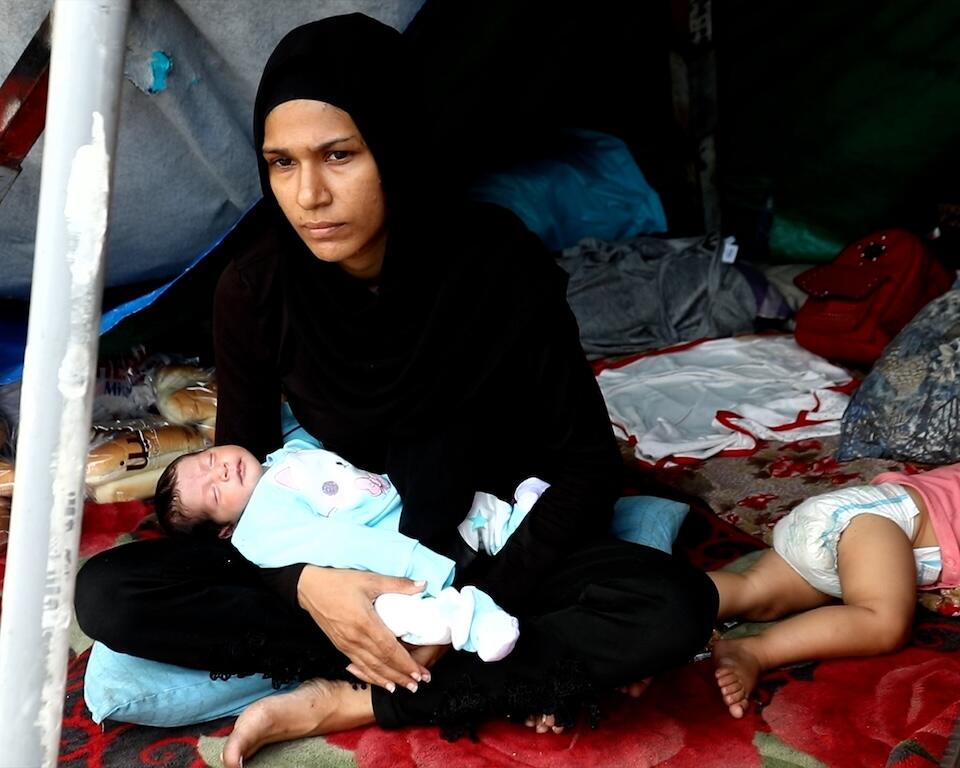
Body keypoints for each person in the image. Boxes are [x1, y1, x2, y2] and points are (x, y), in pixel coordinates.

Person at [74, 13, 719, 766]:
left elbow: (586, 467)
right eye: (281, 164)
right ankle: (447, 667)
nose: (308, 194)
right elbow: (249, 473)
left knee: (671, 608)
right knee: (111, 594)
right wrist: (309, 583)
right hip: (345, 550)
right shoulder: (256, 289)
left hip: (495, 540)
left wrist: (466, 610)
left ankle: (348, 697)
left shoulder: (495, 266)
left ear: (397, 144)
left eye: (338, 155)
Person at [154, 440, 550, 661]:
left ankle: (514, 523)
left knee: (475, 508)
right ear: (225, 530)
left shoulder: (276, 461)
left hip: (402, 512)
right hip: (392, 561)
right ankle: (476, 623)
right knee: (403, 613)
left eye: (209, 459)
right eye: (214, 491)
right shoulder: (259, 526)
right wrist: (416, 562)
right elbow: (341, 544)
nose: (220, 470)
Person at [708, 464, 960, 719]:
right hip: (871, 523)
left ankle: (672, 597)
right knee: (883, 622)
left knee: (754, 588)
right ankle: (755, 651)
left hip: (833, 517)